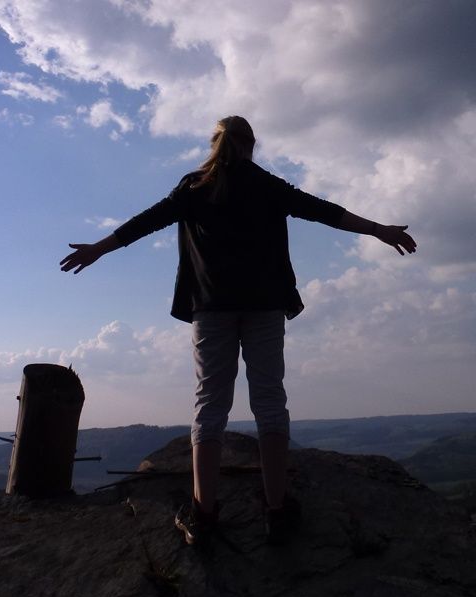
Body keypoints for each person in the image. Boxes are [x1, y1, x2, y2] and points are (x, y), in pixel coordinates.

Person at [60, 115, 417, 546]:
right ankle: (277, 509)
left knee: (210, 403)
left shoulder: (194, 188)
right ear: (252, 145)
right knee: (269, 399)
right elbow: (327, 213)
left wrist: (100, 247)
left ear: (215, 144)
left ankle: (203, 513)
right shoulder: (267, 185)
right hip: (265, 305)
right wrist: (379, 229)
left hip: (211, 308)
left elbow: (146, 221)